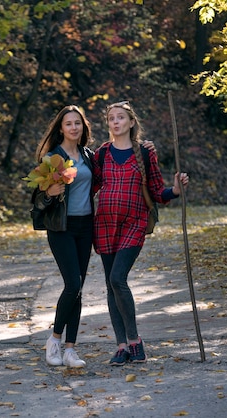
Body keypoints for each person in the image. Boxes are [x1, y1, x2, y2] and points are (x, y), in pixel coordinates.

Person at [93, 100, 189, 366]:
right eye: (111, 118)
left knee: (117, 278)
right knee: (111, 286)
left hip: (134, 223)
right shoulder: (101, 154)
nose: (116, 122)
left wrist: (176, 190)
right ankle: (121, 346)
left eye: (121, 117)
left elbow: (158, 192)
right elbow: (89, 186)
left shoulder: (145, 153)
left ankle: (135, 342)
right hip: (105, 224)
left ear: (131, 122)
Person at [31, 105, 95, 368]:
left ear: (83, 127)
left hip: (86, 227)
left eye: (77, 123)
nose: (73, 127)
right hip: (62, 228)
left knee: (78, 290)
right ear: (61, 128)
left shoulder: (89, 156)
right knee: (73, 284)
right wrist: (50, 193)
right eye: (68, 123)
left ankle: (70, 350)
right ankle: (54, 340)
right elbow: (37, 201)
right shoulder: (52, 158)